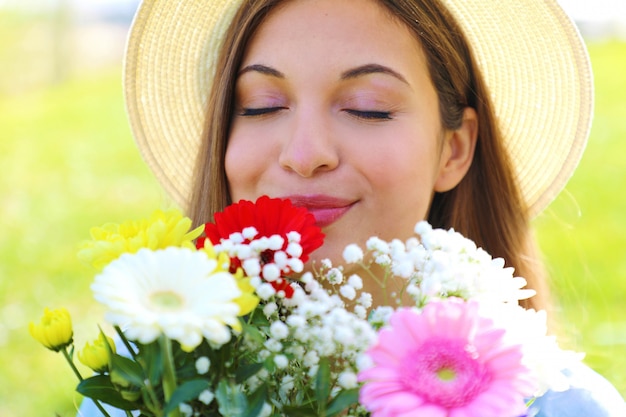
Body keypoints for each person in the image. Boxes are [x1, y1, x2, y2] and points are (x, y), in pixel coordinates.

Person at [79, 0, 625, 416]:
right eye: (262, 106)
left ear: (453, 150)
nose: (305, 154)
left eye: (367, 109)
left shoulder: (563, 405)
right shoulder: (149, 386)